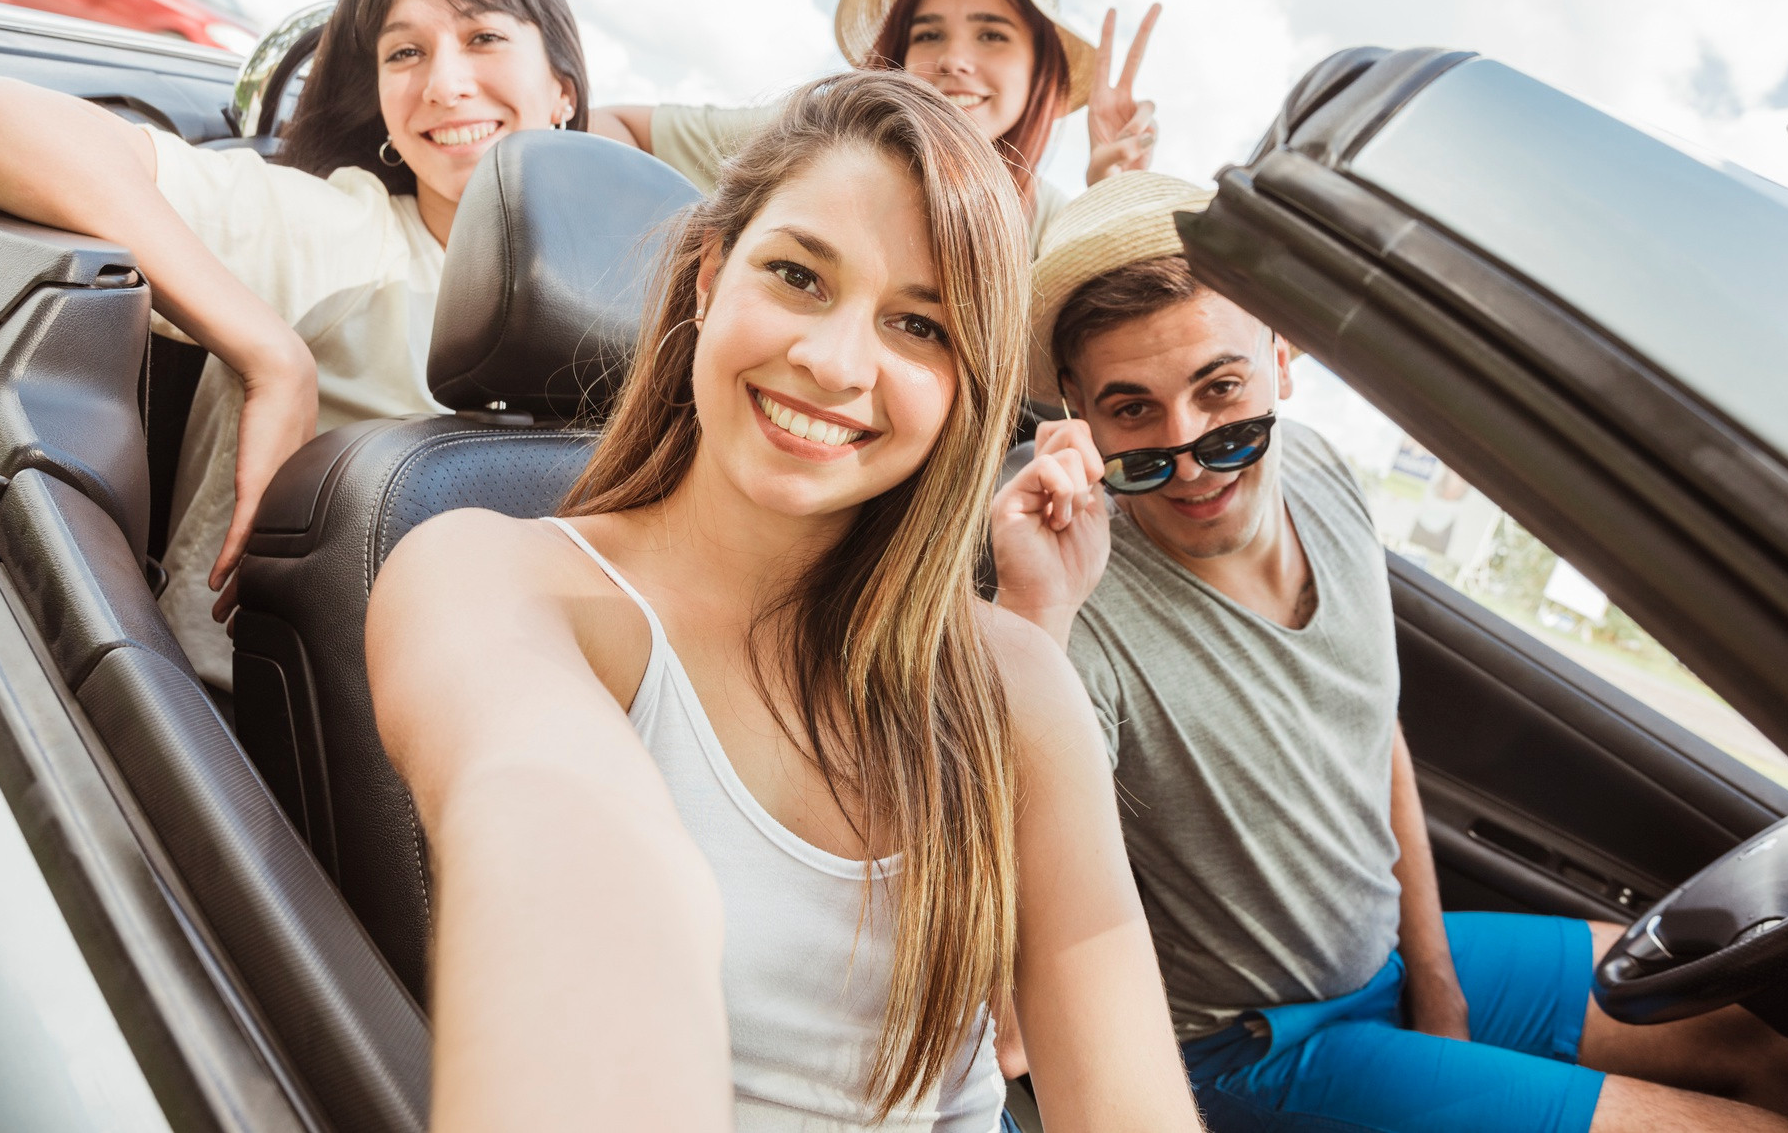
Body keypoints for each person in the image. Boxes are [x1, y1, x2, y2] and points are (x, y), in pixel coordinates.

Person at [364, 72, 1203, 1131]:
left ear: (969, 391)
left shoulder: (1018, 683)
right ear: (710, 276)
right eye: (799, 277)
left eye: (919, 326)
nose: (835, 361)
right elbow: (572, 846)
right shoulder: (486, 576)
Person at [988, 172, 1788, 1133]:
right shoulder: (1069, 596)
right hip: (1250, 1046)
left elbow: (1372, 723)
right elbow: (1009, 915)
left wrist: (1435, 979)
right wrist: (1033, 618)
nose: (1187, 453)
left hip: (1383, 952)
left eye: (1220, 389)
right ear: (1079, 425)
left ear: (1283, 355)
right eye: (1132, 413)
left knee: (1765, 1024)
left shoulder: (1323, 474)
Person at [0, 0, 590, 693]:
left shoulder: (612, 277)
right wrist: (274, 355)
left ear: (562, 91)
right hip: (259, 724)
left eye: (483, 37)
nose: (443, 83)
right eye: (405, 52)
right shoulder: (345, 230)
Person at [589, 0, 1159, 256]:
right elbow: (608, 128)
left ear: (1041, 75)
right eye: (929, 34)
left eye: (992, 36)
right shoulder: (808, 142)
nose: (954, 61)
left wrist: (1115, 199)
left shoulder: (1047, 225)